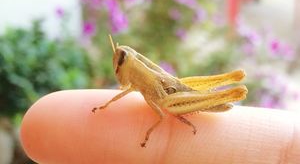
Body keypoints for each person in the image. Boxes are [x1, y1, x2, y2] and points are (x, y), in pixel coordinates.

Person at [21, 89, 300, 163]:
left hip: (179, 98)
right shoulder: (136, 81)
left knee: (163, 108)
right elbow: (126, 93)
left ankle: (225, 94)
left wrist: (147, 134)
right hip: (173, 98)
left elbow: (159, 111)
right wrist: (105, 107)